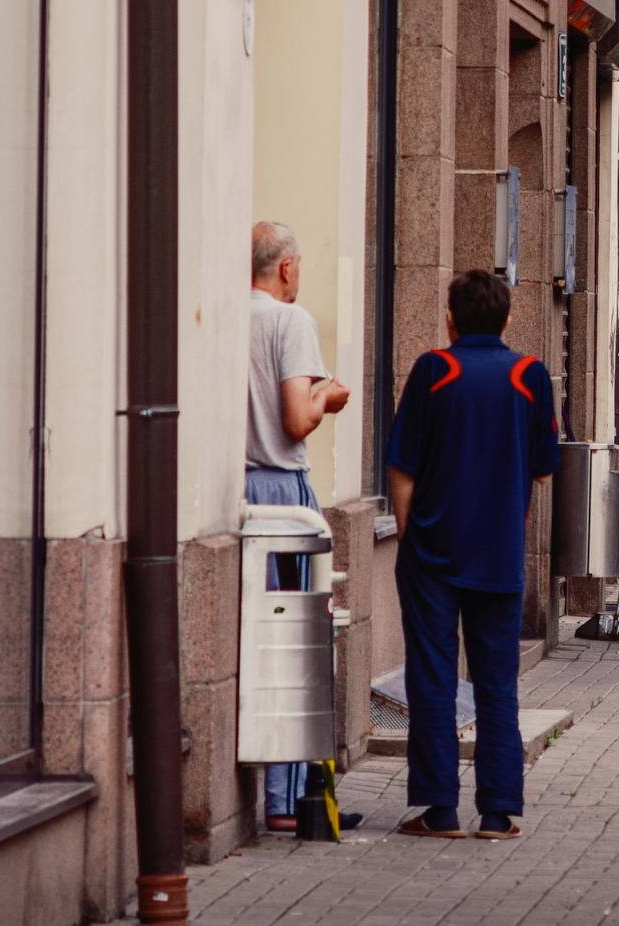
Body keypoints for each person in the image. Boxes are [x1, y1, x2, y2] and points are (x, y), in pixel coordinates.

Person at [385, 270, 559, 840]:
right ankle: (498, 811)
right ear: (508, 320)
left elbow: (403, 468)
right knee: (496, 682)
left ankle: (437, 808)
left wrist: (412, 537)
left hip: (433, 552)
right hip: (498, 552)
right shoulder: (531, 375)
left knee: (432, 677)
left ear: (449, 318)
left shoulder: (434, 371)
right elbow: (541, 468)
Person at [245, 222, 351, 834]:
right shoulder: (291, 322)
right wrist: (327, 397)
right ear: (286, 268)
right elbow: (294, 420)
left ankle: (263, 787)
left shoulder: (227, 316)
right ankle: (285, 799)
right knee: (295, 644)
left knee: (252, 638)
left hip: (237, 491)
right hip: (284, 495)